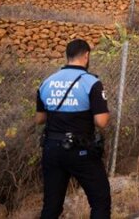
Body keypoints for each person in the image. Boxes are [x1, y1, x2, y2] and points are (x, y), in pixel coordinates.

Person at [36, 39, 111, 219]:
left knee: (52, 206)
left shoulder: (47, 82)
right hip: (80, 149)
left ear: (67, 56)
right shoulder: (91, 82)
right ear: (86, 56)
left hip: (51, 148)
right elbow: (101, 121)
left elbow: (39, 119)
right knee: (100, 201)